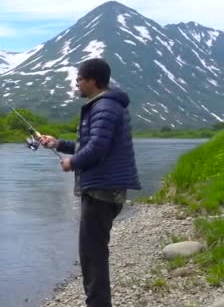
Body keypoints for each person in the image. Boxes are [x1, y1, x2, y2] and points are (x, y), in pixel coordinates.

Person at [39, 58, 141, 307]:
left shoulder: (104, 107)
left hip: (101, 190)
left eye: (79, 79)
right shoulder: (106, 105)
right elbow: (91, 145)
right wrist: (58, 144)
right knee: (93, 251)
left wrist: (71, 163)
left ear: (92, 81)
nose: (76, 84)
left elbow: (97, 148)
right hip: (105, 188)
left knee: (92, 254)